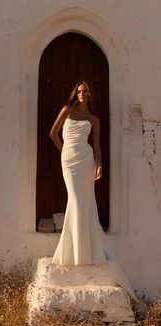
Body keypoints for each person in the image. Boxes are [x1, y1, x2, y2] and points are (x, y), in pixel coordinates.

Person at [49, 81, 138, 301]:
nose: (82, 94)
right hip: (69, 161)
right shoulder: (66, 110)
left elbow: (96, 145)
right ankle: (74, 253)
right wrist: (64, 152)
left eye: (85, 91)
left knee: (84, 202)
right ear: (75, 93)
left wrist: (99, 164)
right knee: (76, 200)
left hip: (86, 160)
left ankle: (81, 253)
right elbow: (53, 134)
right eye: (79, 91)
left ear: (90, 94)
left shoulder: (94, 119)